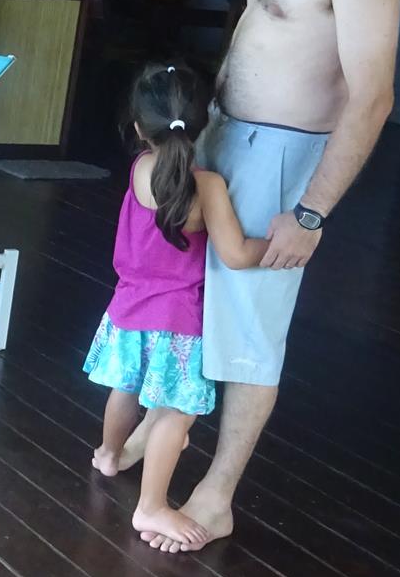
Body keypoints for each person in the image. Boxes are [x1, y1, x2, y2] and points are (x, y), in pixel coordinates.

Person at [128, 0, 400, 553]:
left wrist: (311, 211)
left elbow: (373, 95)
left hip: (283, 156)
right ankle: (158, 427)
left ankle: (216, 497)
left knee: (252, 323)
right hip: (226, 135)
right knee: (188, 287)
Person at [87, 62, 268, 551]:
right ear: (204, 124)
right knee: (174, 415)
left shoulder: (141, 169)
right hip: (179, 322)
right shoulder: (207, 186)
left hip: (128, 306)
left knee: (126, 388)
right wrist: (273, 244)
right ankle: (152, 506)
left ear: (138, 126)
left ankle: (109, 453)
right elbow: (236, 254)